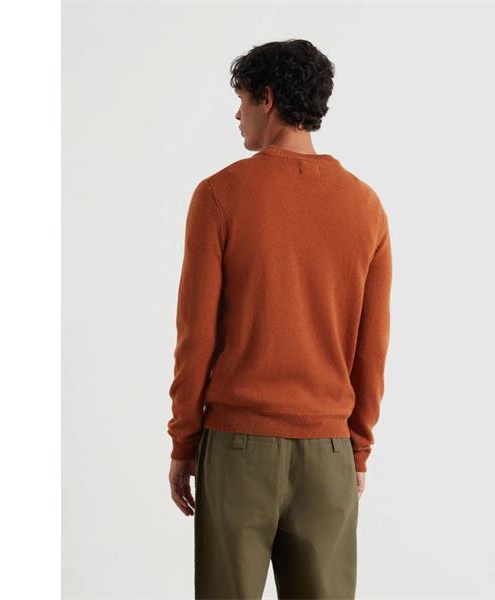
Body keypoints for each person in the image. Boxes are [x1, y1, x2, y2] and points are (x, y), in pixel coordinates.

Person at [167, 39, 392, 599]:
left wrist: (183, 443)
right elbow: (373, 347)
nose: (237, 115)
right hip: (328, 453)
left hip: (236, 448)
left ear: (267, 99)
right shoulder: (366, 207)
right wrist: (357, 448)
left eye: (242, 100)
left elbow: (196, 338)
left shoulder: (219, 196)